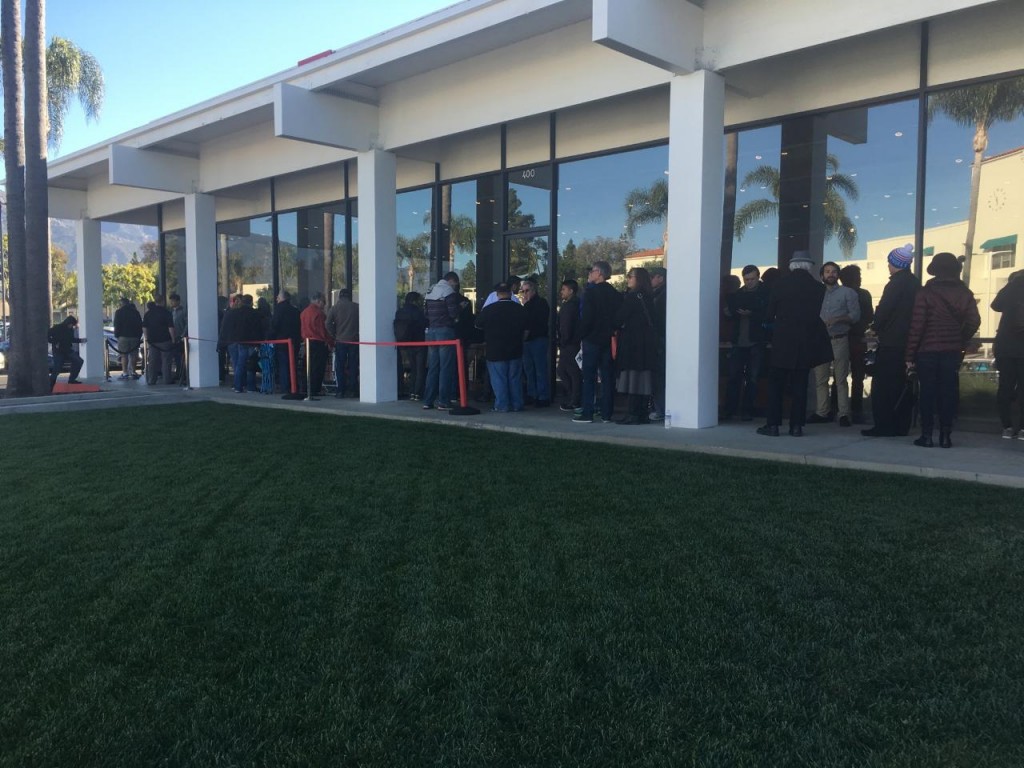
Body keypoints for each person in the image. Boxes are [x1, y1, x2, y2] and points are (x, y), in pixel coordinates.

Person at [904, 252, 980, 448]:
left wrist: (909, 355)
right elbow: (974, 321)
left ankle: (927, 435)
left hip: (927, 350)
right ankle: (946, 436)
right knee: (948, 392)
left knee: (927, 393)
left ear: (935, 271)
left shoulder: (925, 293)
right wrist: (960, 337)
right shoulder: (965, 294)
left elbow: (917, 326)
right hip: (952, 350)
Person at [757, 252, 831, 437]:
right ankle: (796, 426)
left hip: (783, 342)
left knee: (776, 385)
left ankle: (773, 425)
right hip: (805, 342)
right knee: (800, 386)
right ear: (809, 266)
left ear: (792, 265)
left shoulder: (780, 284)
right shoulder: (818, 288)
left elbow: (770, 313)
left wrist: (768, 326)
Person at [863, 243, 919, 437]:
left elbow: (884, 310)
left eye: (889, 262)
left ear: (896, 263)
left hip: (891, 342)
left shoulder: (895, 284)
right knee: (903, 386)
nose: (888, 265)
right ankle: (901, 424)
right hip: (910, 342)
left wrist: (875, 327)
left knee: (883, 387)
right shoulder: (914, 283)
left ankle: (884, 424)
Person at [809, 261, 860, 427]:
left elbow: (855, 316)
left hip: (839, 338)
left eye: (833, 271)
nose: (830, 274)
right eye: (827, 271)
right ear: (822, 275)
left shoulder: (848, 293)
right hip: (820, 340)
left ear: (838, 275)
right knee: (820, 379)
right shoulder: (816, 293)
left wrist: (839, 318)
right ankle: (822, 412)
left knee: (841, 378)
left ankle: (844, 413)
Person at [572, 260, 622, 424]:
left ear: (599, 273)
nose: (590, 274)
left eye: (592, 271)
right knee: (607, 377)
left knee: (589, 377)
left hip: (592, 339)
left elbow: (586, 318)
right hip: (608, 339)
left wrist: (580, 335)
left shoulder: (590, 293)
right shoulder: (615, 294)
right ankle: (607, 413)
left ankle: (588, 412)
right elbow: (618, 318)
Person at [722, 265, 768, 421]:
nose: (749, 282)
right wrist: (729, 312)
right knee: (734, 376)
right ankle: (730, 409)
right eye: (746, 279)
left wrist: (753, 314)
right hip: (738, 341)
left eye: (752, 279)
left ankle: (748, 409)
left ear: (758, 277)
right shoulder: (738, 294)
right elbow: (730, 315)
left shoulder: (765, 293)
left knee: (753, 377)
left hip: (756, 341)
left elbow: (769, 313)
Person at [613, 267, 657, 424]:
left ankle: (632, 413)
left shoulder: (632, 298)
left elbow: (618, 318)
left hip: (633, 344)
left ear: (638, 279)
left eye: (630, 276)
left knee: (632, 378)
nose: (628, 279)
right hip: (646, 345)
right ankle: (642, 413)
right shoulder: (649, 297)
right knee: (643, 379)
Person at [475, 282, 528, 412]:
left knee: (498, 379)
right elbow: (527, 330)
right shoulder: (520, 309)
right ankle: (517, 404)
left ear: (497, 294)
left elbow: (477, 325)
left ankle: (502, 405)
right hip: (515, 349)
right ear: (510, 293)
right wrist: (521, 340)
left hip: (495, 349)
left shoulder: (489, 310)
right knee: (515, 378)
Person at [422, 272, 463, 410]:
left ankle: (428, 401)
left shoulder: (430, 290)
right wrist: (460, 308)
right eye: (456, 284)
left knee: (433, 367)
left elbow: (426, 313)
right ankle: (443, 401)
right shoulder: (448, 291)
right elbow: (453, 313)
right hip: (445, 331)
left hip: (431, 331)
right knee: (446, 367)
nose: (456, 287)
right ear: (452, 281)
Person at [992, 269, 1024, 439]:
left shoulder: (1011, 287)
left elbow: (995, 305)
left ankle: (1007, 426)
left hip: (1006, 346)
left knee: (1005, 386)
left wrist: (1011, 285)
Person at [839, 264, 873, 424]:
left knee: (840, 375)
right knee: (858, 376)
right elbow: (870, 317)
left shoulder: (837, 295)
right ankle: (856, 410)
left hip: (844, 338)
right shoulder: (864, 295)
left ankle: (839, 408)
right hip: (858, 338)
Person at [520, 277, 551, 407]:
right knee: (529, 369)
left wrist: (526, 304)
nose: (524, 294)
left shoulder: (541, 303)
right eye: (523, 291)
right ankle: (532, 394)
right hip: (527, 341)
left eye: (526, 291)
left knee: (540, 369)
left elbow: (533, 321)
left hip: (538, 340)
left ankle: (543, 396)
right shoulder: (526, 305)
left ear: (533, 290)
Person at [394, 291, 427, 399]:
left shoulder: (399, 312)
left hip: (405, 344)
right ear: (415, 301)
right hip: (419, 342)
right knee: (419, 369)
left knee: (412, 368)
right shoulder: (418, 312)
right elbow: (425, 324)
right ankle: (417, 392)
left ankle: (411, 391)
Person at [327, 288, 360, 398]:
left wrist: (334, 334)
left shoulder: (335, 308)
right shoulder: (357, 307)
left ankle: (341, 390)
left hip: (340, 340)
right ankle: (353, 389)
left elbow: (327, 323)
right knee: (353, 366)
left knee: (340, 366)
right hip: (354, 341)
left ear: (339, 297)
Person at [300, 292, 332, 399]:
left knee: (308, 367)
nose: (324, 305)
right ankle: (315, 389)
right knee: (318, 367)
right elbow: (323, 331)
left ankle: (306, 388)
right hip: (318, 342)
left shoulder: (304, 312)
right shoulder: (319, 313)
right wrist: (330, 342)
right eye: (324, 302)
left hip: (307, 342)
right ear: (319, 301)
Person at [556, 279, 581, 412]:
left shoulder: (570, 306)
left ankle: (575, 398)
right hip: (571, 343)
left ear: (571, 291)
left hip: (569, 344)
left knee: (570, 371)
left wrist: (563, 341)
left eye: (564, 289)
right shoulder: (574, 304)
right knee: (564, 370)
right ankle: (573, 396)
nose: (561, 292)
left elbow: (566, 326)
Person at [270, 291, 302, 394]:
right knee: (293, 364)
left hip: (282, 342)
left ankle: (285, 387)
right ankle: (294, 386)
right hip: (294, 342)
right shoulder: (295, 311)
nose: (276, 299)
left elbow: (275, 325)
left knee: (283, 365)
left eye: (278, 297)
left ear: (283, 298)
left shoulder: (279, 309)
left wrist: (270, 338)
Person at [142, 295, 176, 385]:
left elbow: (144, 327)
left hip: (153, 341)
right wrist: (173, 339)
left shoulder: (148, 313)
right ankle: (167, 379)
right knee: (166, 361)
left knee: (153, 361)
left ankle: (151, 380)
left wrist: (147, 338)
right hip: (165, 340)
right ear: (163, 302)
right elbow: (170, 327)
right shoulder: (166, 313)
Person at [649, 267, 667, 420]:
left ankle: (660, 409)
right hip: (659, 339)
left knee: (659, 376)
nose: (650, 281)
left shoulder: (663, 296)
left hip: (660, 339)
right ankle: (658, 407)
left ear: (660, 278)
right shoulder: (656, 295)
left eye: (652, 277)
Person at [47, 316, 85, 390]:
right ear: (68, 323)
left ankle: (72, 379)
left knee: (79, 361)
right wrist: (54, 342)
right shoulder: (57, 328)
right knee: (57, 367)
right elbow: (48, 335)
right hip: (58, 351)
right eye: (71, 324)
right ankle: (51, 383)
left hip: (68, 350)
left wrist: (80, 340)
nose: (72, 326)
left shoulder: (70, 330)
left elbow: (71, 339)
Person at [112, 297, 142, 380]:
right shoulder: (135, 312)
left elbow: (116, 325)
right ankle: (133, 372)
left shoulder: (119, 312)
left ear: (121, 304)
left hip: (123, 336)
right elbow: (140, 325)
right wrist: (138, 336)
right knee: (133, 355)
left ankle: (125, 373)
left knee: (124, 355)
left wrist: (117, 335)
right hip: (134, 336)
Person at [168, 293, 188, 383]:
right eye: (171, 301)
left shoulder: (183, 311)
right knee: (175, 357)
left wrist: (183, 335)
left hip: (181, 337)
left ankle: (182, 374)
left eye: (173, 301)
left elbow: (187, 323)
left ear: (178, 301)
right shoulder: (170, 312)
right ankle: (177, 373)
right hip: (173, 337)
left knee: (181, 357)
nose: (171, 302)